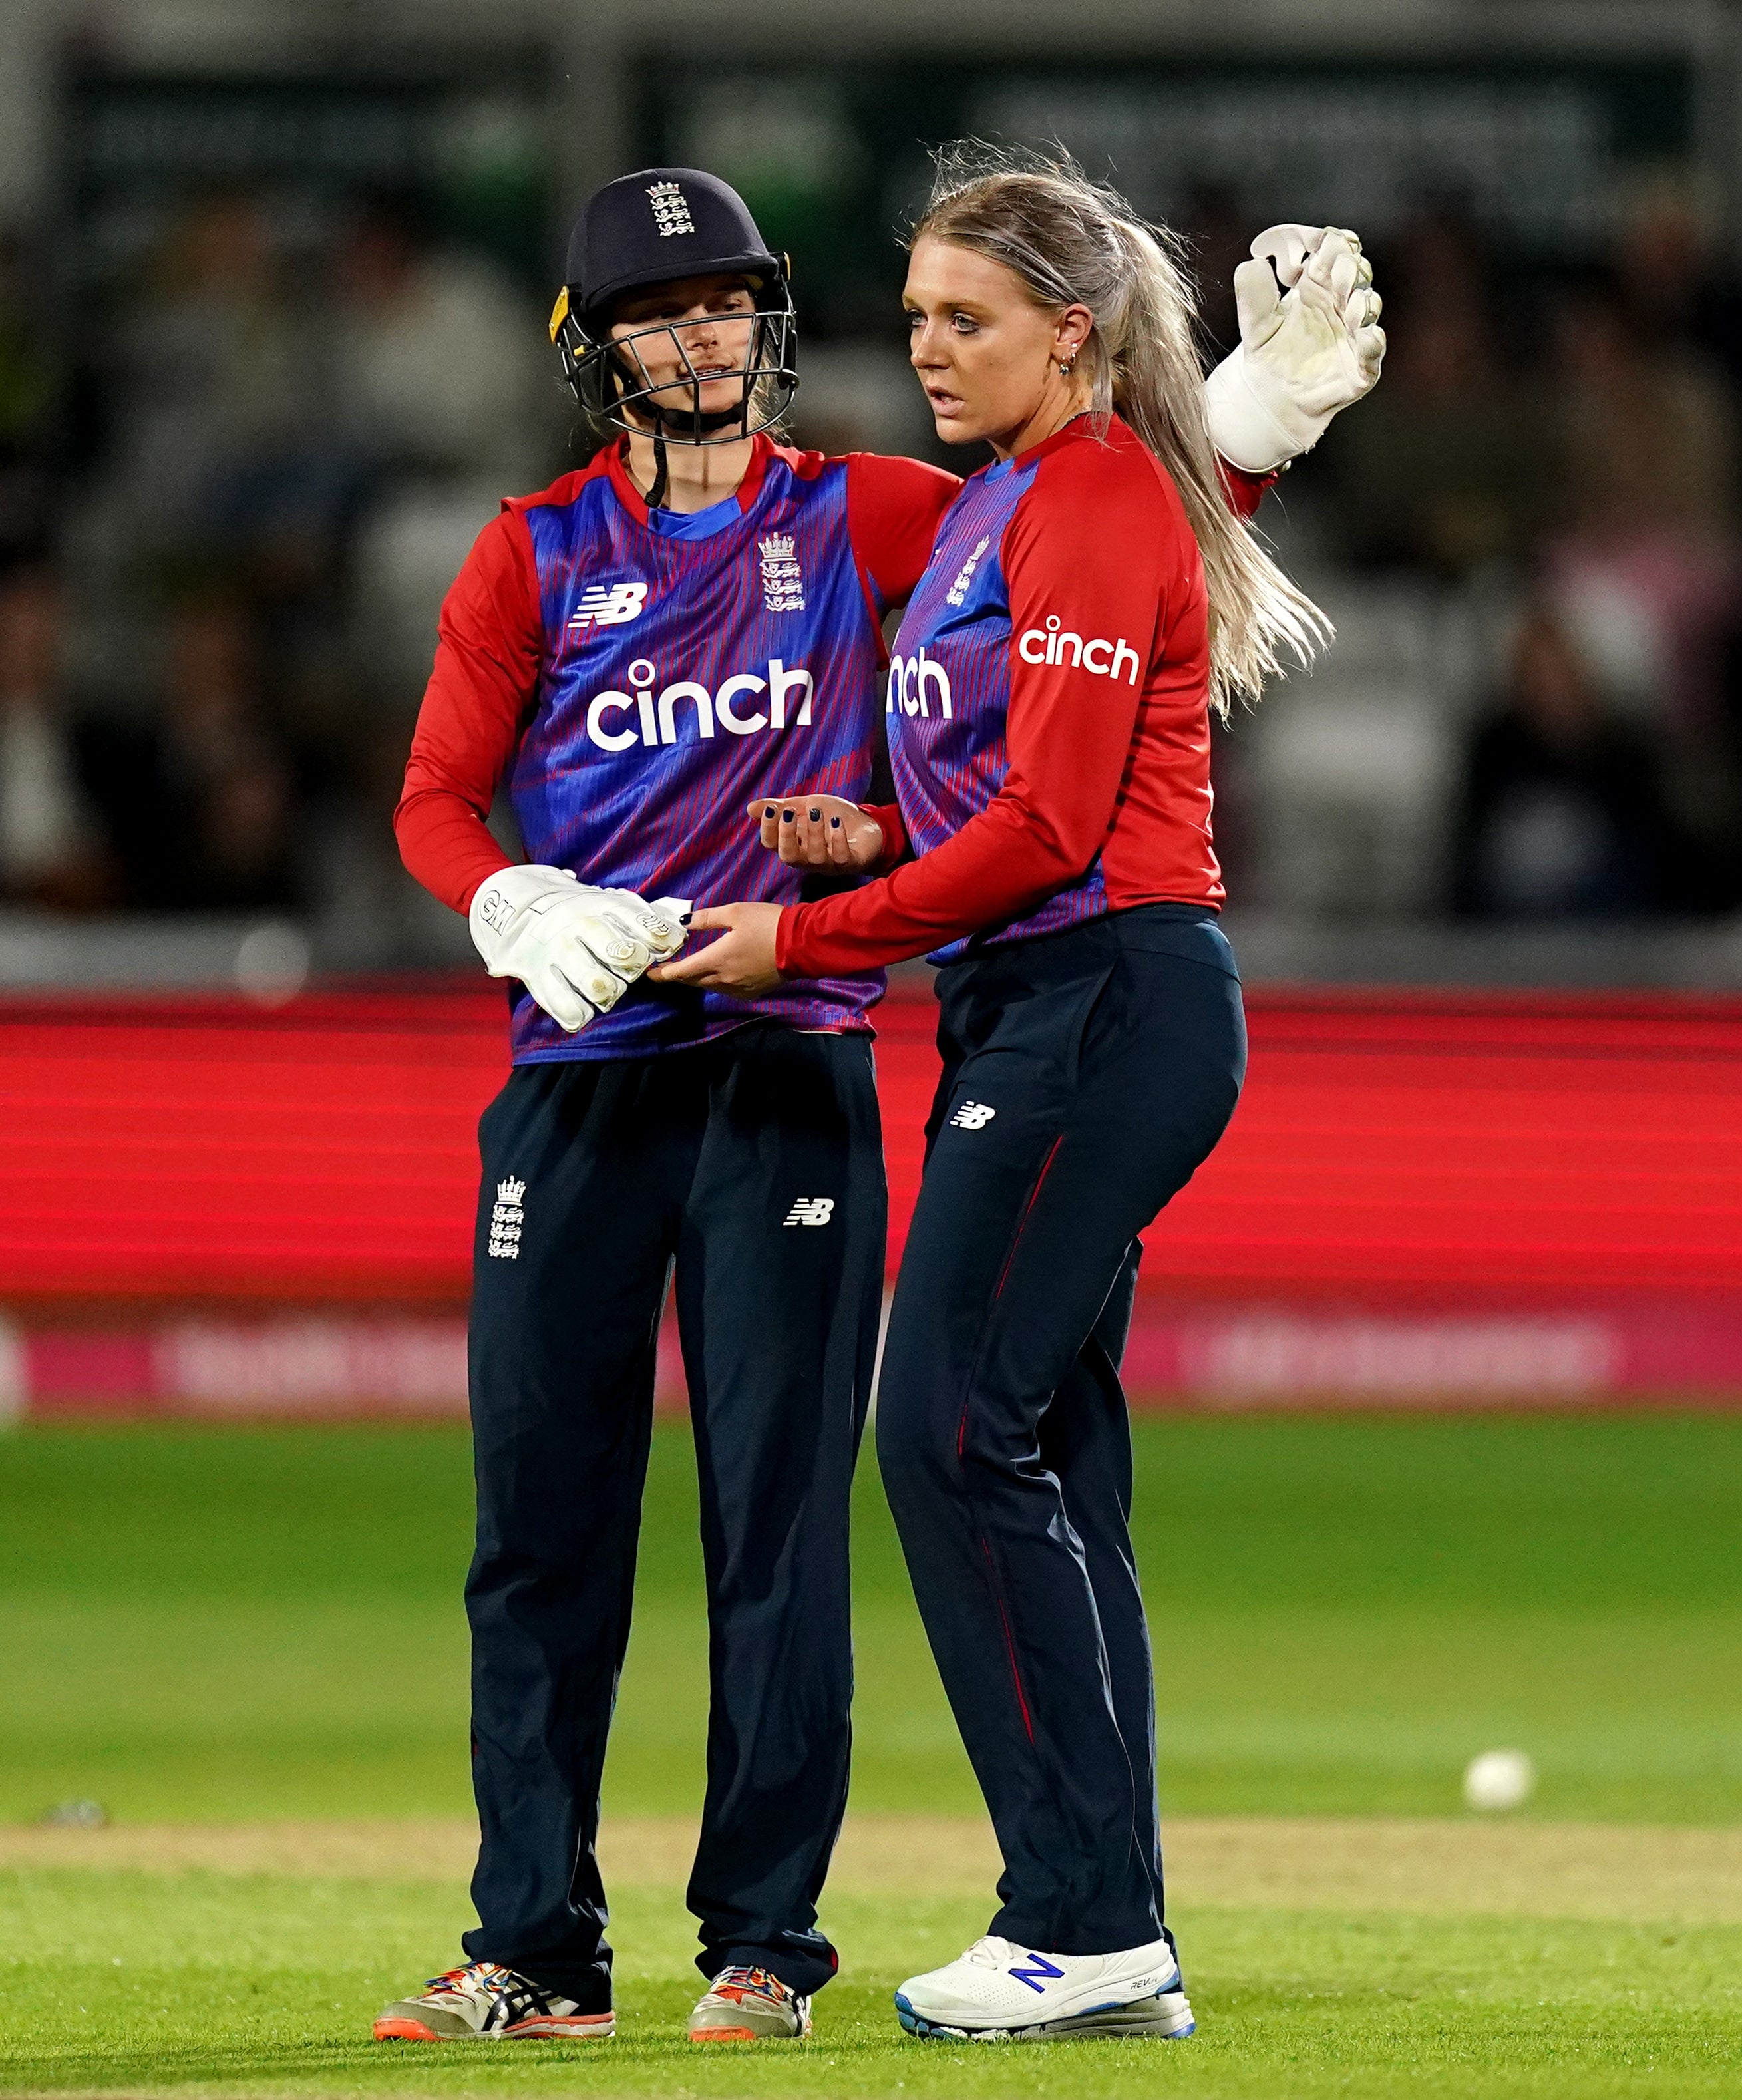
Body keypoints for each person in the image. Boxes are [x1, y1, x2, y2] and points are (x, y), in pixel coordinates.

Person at [381, 160, 1379, 2049]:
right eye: (663, 313)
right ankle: (533, 1943)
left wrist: (1242, 421)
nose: (705, 338)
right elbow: (437, 794)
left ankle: (765, 1941)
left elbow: (1101, 526)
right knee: (537, 1530)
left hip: (792, 1065)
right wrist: (507, 898)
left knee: (783, 1520)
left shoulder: (865, 511)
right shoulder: (527, 550)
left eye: (732, 303)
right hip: (576, 1081)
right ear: (596, 350)